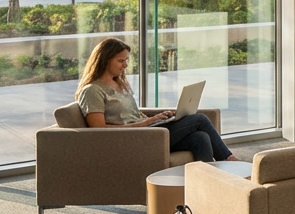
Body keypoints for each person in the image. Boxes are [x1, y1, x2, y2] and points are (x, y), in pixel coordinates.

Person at [74, 37, 239, 163]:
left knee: (201, 137)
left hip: (147, 132)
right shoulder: (92, 91)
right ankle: (230, 161)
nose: (125, 65)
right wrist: (145, 124)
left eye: (126, 60)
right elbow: (98, 129)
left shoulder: (118, 84)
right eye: (120, 60)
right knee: (200, 119)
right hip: (133, 140)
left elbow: (129, 115)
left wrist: (157, 118)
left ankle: (208, 187)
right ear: (104, 59)